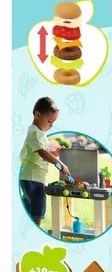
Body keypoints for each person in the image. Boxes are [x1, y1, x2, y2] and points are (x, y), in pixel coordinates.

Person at [19, 97, 70, 226]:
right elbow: (42, 152)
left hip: (33, 178)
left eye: (53, 122)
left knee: (31, 211)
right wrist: (60, 164)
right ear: (37, 115)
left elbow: (44, 153)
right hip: (33, 179)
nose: (51, 125)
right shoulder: (34, 132)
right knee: (37, 213)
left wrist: (55, 153)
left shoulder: (40, 133)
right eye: (49, 121)